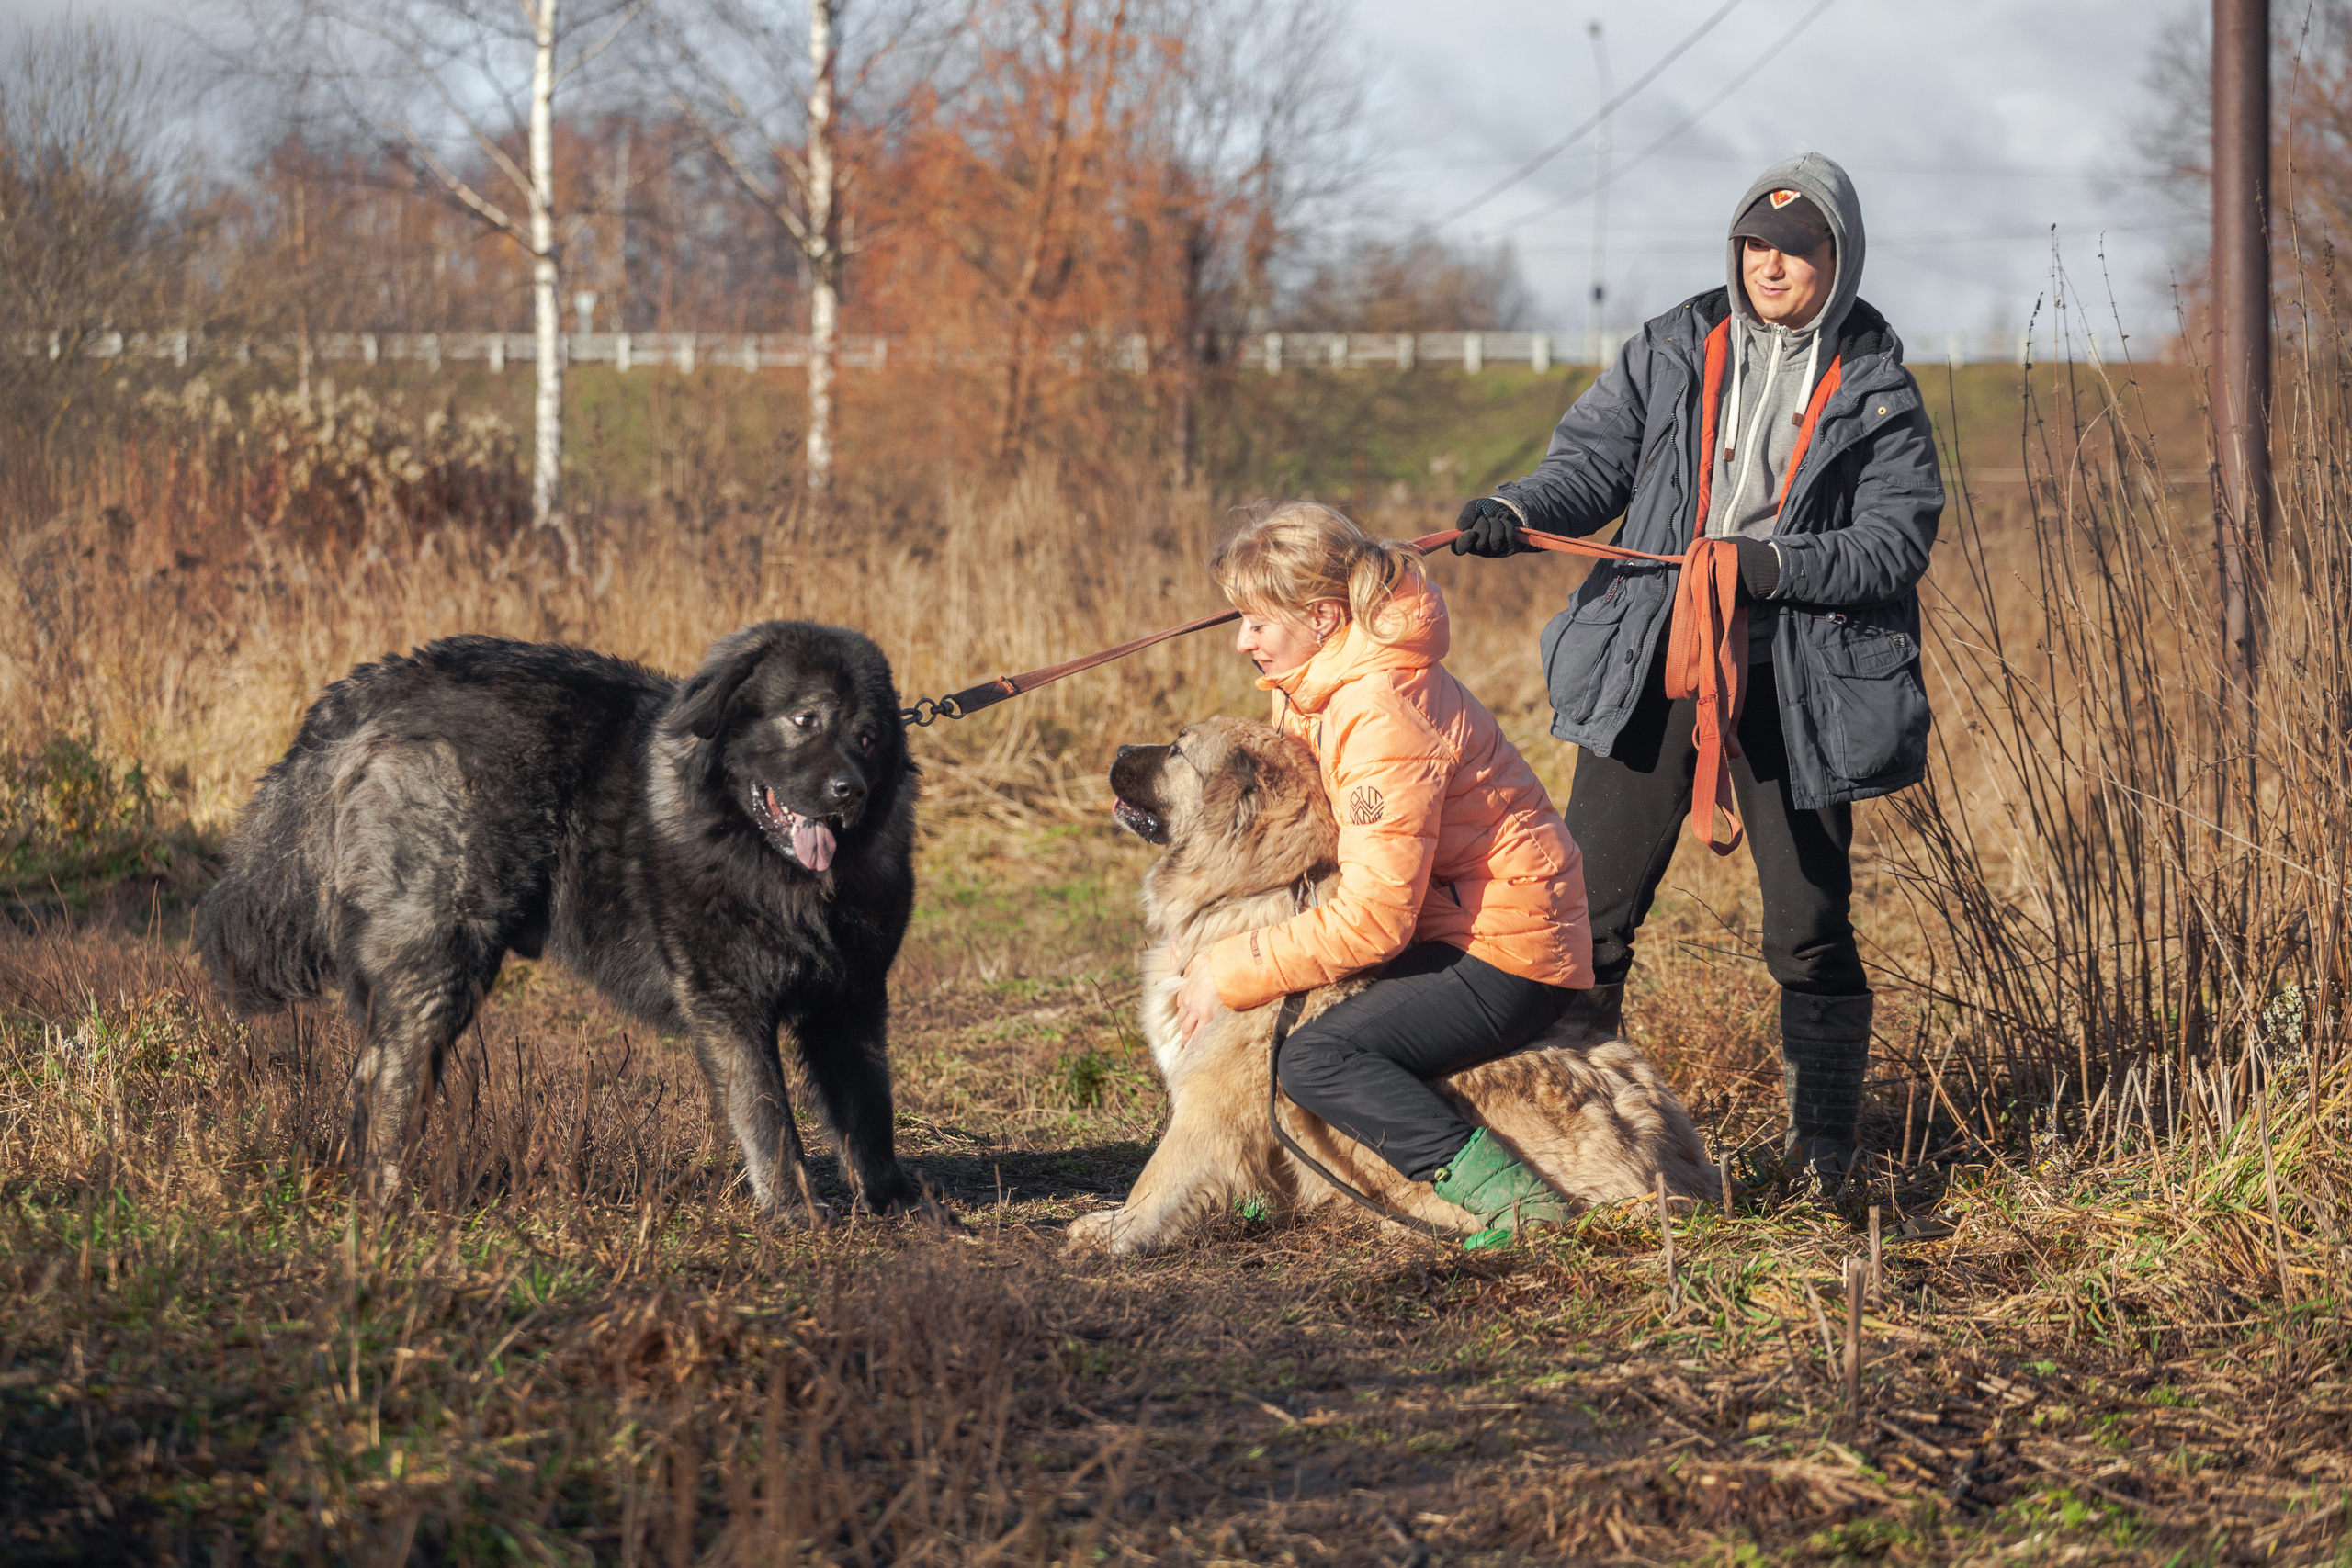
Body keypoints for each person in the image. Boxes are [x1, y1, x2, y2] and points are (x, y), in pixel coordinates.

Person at [1449, 152, 1942, 1185]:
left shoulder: (1880, 388)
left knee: (1809, 930)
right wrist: (1520, 510)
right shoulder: (1672, 345)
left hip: (1795, 683)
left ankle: (1824, 1157)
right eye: (1756, 245)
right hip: (1651, 657)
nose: (1771, 265)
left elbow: (1893, 545)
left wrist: (1774, 565)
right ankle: (1578, 1145)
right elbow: (1591, 462)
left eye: (1798, 248)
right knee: (1588, 918)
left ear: (1837, 259)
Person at [1167, 502, 1595, 1249]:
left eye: (1259, 622)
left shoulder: (1377, 710)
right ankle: (1275, 1177)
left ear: (1325, 616)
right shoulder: (1322, 685)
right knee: (1284, 1019)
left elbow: (1374, 917)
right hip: (1452, 926)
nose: (1242, 641)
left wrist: (1227, 966)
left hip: (1507, 952)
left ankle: (1520, 1207)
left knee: (1317, 1056)